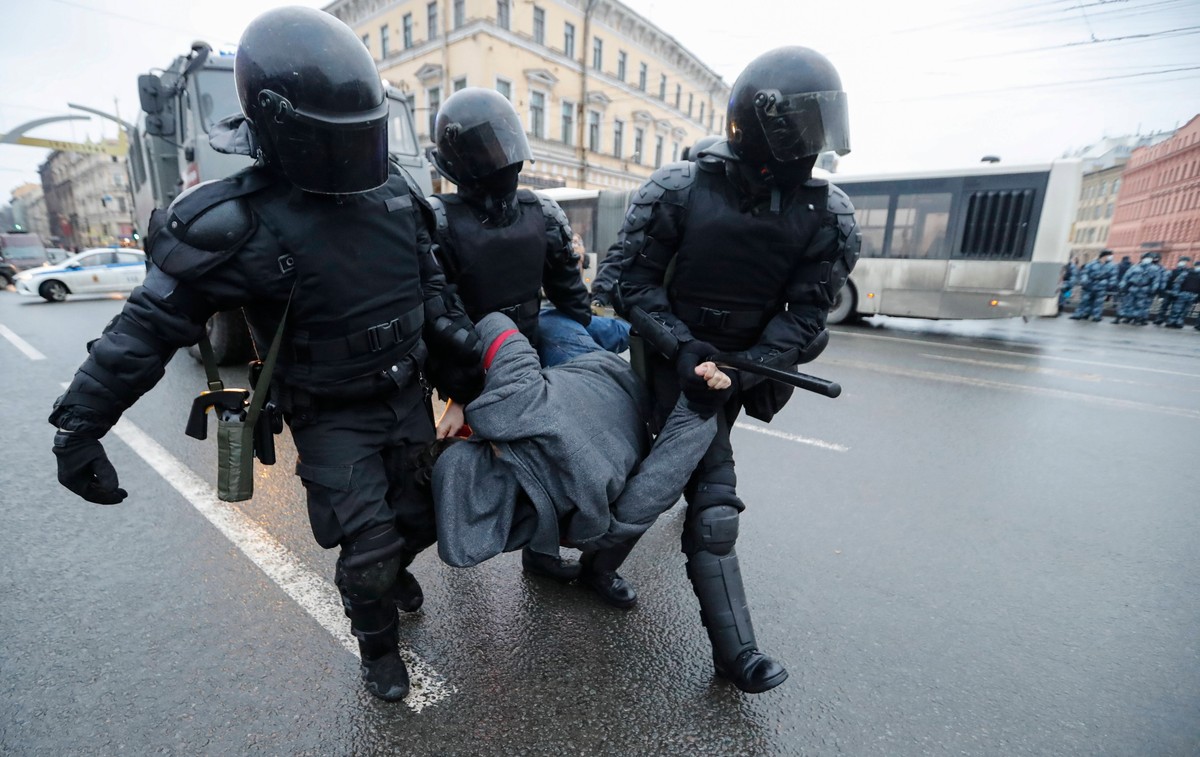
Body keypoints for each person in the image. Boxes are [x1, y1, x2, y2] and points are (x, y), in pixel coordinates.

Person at [48, 7, 483, 703]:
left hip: (407, 396)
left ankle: (390, 567)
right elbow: (147, 328)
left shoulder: (396, 195)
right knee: (367, 551)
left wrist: (467, 362)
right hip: (330, 411)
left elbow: (431, 290)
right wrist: (82, 424)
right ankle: (377, 645)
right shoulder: (236, 224)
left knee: (424, 517)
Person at [615, 46, 860, 694]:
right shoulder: (680, 189)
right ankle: (737, 655)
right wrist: (685, 347)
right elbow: (626, 282)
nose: (813, 145)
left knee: (671, 476)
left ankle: (596, 564)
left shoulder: (824, 212)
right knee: (709, 501)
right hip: (675, 361)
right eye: (804, 127)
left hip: (740, 369)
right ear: (764, 123)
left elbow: (807, 314)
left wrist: (748, 369)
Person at [427, 312, 729, 609]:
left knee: (618, 331)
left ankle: (627, 328)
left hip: (621, 395)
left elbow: (670, 467)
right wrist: (461, 399)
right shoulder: (510, 402)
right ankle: (627, 327)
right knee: (570, 322)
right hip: (591, 365)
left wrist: (699, 400)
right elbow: (495, 323)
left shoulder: (592, 528)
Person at [425, 86, 601, 584]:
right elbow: (440, 311)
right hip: (476, 360)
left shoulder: (540, 212)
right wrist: (459, 391)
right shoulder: (440, 220)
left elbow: (571, 299)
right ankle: (460, 541)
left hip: (517, 357)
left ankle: (540, 552)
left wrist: (577, 345)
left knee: (543, 459)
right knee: (473, 461)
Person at [1070, 250, 1117, 322]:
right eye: (1109, 255)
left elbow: (1113, 276)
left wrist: (1111, 284)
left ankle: (1096, 316)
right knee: (1084, 300)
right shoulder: (1092, 263)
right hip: (1090, 285)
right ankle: (1080, 314)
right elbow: (1085, 272)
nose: (1110, 257)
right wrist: (1084, 280)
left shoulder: (1112, 266)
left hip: (1101, 286)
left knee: (1099, 302)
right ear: (1104, 256)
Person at [1113, 253, 1159, 325]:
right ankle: (1120, 317)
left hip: (1144, 289)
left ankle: (1136, 319)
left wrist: (1153, 289)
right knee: (1126, 303)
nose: (1148, 259)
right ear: (1142, 258)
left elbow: (1156, 280)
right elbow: (1126, 277)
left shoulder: (1154, 269)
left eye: (1150, 258)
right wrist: (1122, 286)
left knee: (1140, 305)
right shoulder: (1134, 267)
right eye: (1146, 257)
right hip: (1133, 287)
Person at [1164, 257, 1199, 329]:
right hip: (1183, 294)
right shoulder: (1186, 274)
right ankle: (1172, 322)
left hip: (1191, 295)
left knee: (1184, 310)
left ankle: (1178, 322)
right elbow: (1178, 283)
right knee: (1177, 309)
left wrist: (1197, 296)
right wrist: (1176, 293)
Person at [1152, 257, 1189, 325]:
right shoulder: (1172, 271)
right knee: (1164, 306)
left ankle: (1170, 321)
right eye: (1182, 261)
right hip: (1169, 291)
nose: (1183, 263)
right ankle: (1160, 319)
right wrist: (1163, 290)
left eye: (1185, 262)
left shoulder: (1187, 273)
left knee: (1175, 308)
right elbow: (1165, 280)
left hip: (1179, 293)